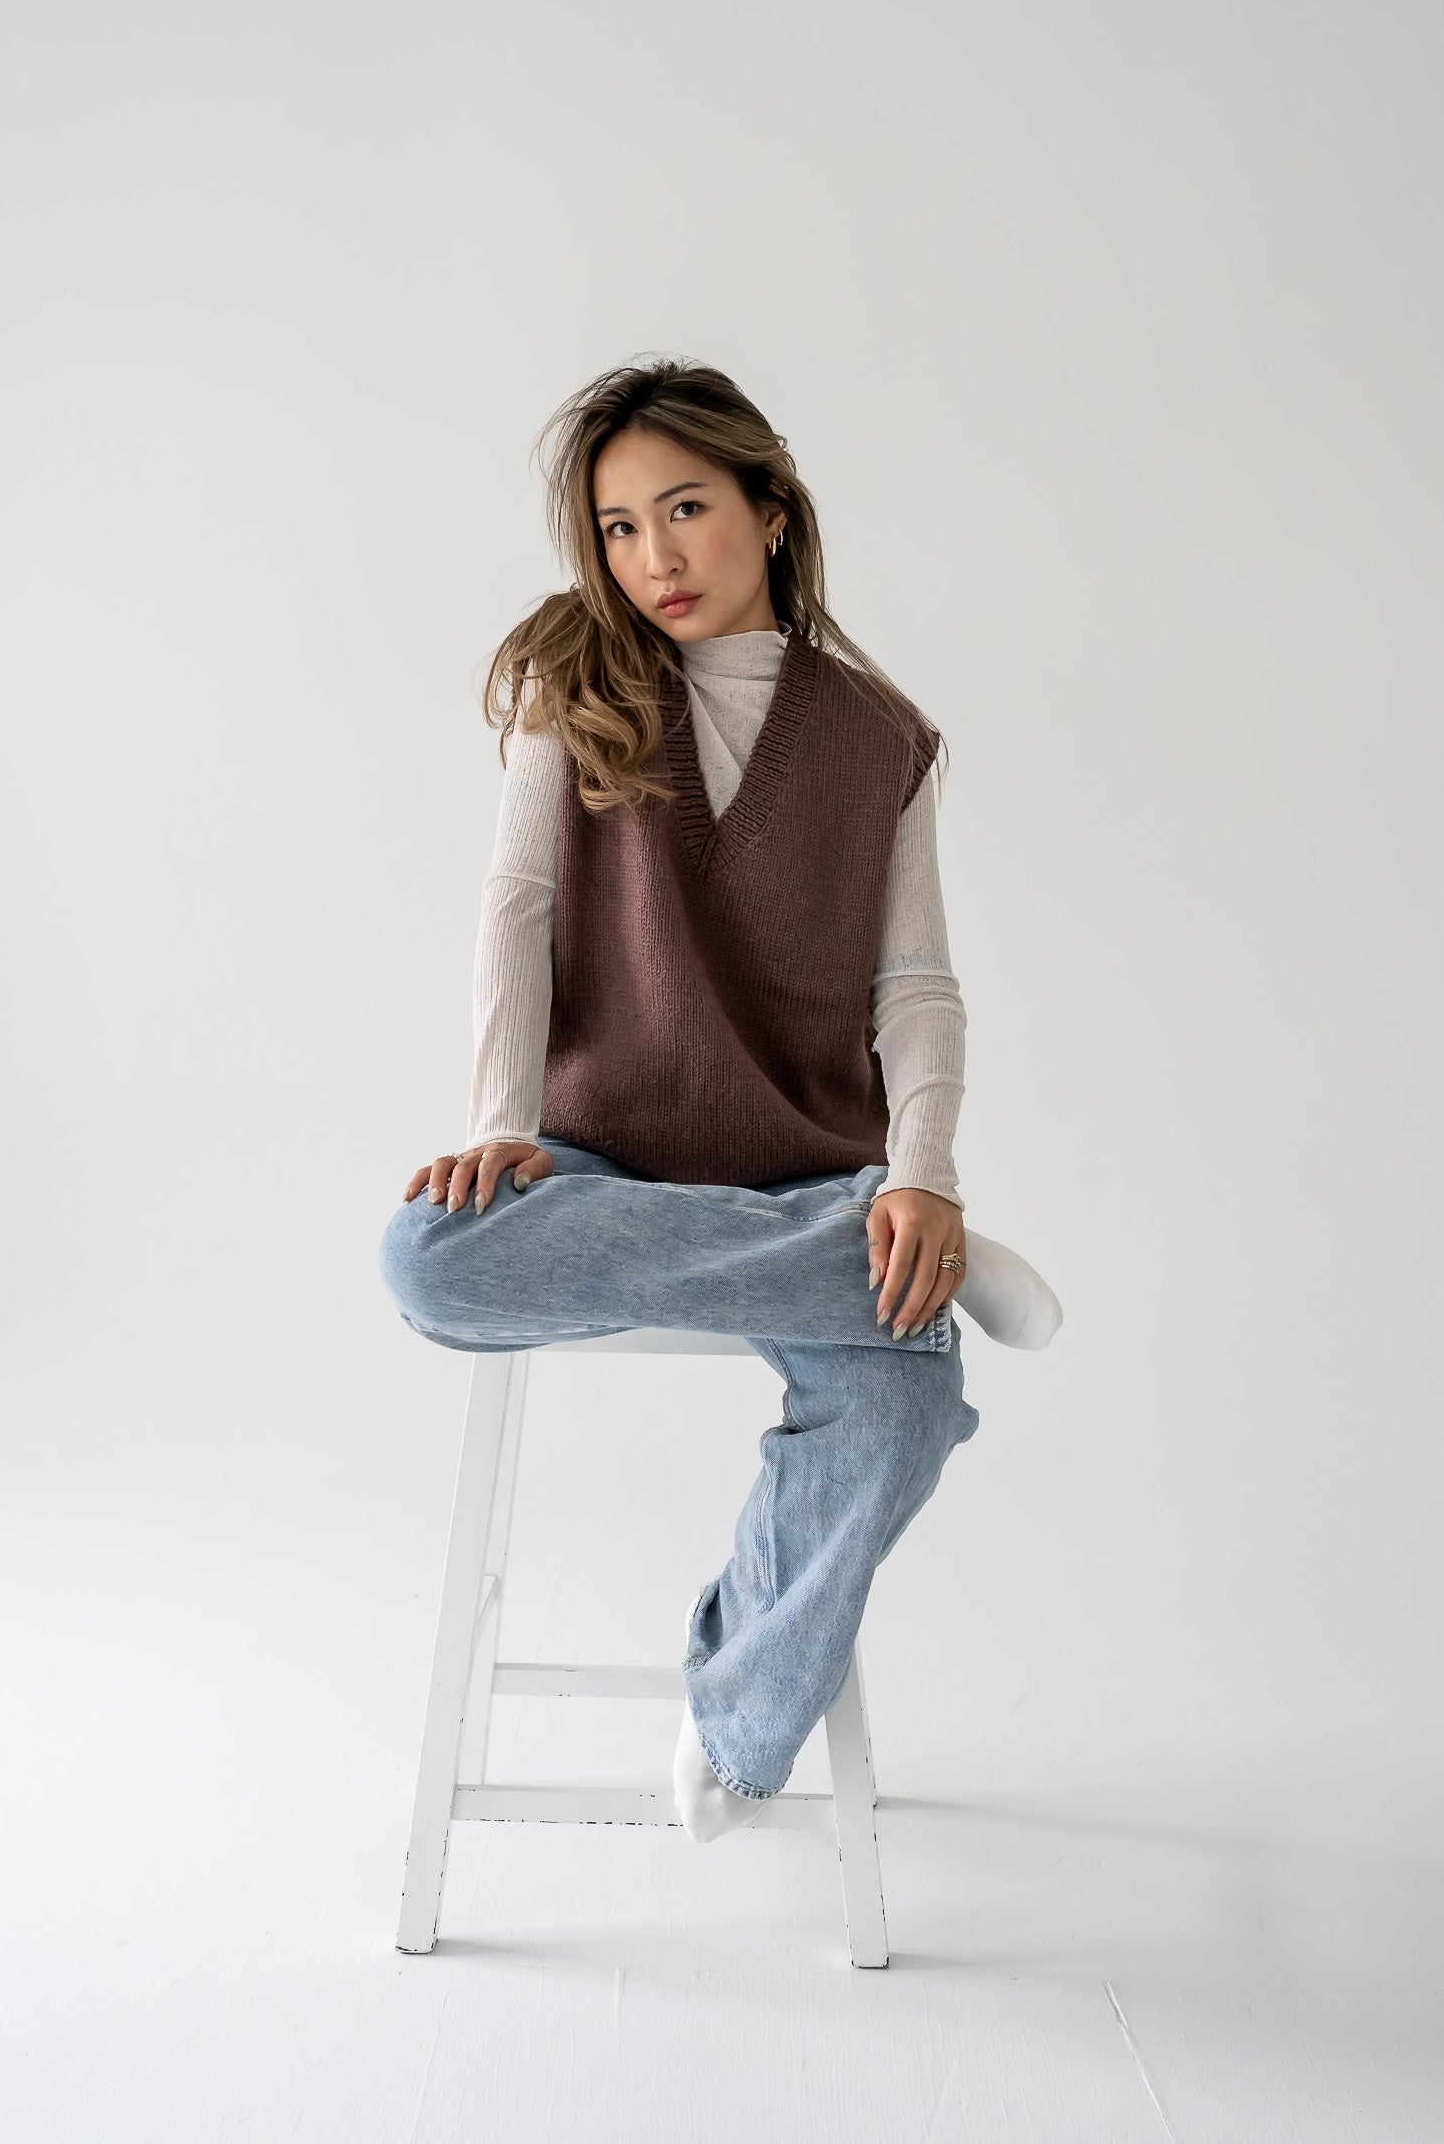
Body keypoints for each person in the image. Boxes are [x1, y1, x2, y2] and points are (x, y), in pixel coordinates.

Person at [378, 357, 1060, 1845]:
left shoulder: (880, 740)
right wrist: (501, 1115)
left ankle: (743, 1712)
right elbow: (516, 902)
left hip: (805, 1163)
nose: (654, 558)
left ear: (768, 503)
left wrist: (922, 1166)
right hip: (593, 1161)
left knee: (904, 1396)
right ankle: (883, 1276)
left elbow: (916, 987)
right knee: (425, 1256)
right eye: (619, 528)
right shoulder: (581, 686)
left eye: (684, 509)